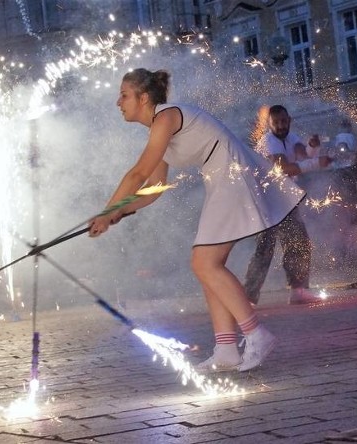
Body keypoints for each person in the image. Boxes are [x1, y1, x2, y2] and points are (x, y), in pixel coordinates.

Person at [88, 69, 305, 373]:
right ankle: (227, 349)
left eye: (124, 95)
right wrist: (117, 213)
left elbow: (137, 174)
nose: (118, 102)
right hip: (222, 179)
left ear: (144, 98)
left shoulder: (165, 118)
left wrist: (106, 212)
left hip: (232, 175)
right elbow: (154, 189)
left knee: (204, 263)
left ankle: (256, 335)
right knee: (206, 265)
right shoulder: (159, 128)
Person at [243, 105, 321, 306]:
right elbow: (285, 168)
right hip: (265, 200)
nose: (280, 126)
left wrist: (313, 147)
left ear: (289, 120)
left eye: (283, 121)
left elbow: (304, 155)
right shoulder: (268, 141)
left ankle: (298, 291)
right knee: (265, 249)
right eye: (276, 122)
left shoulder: (291, 137)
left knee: (299, 243)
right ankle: (247, 297)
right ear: (269, 124)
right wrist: (316, 164)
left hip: (284, 200)